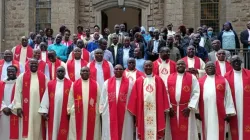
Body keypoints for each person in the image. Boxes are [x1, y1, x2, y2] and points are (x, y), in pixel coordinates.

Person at [127, 60, 170, 140]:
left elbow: (164, 96)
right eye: (146, 66)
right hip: (142, 112)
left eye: (150, 65)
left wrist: (164, 109)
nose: (148, 67)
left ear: (153, 67)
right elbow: (134, 98)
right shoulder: (139, 81)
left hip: (156, 112)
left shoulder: (159, 80)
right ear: (143, 67)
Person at [198, 62, 236, 140]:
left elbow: (228, 96)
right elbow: (196, 97)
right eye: (208, 66)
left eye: (212, 66)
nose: (210, 68)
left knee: (219, 131)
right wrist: (197, 111)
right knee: (206, 131)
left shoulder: (223, 80)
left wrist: (229, 112)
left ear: (216, 68)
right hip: (205, 111)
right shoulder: (200, 81)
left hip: (220, 112)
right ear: (205, 69)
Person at [12, 58, 48, 139]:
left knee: (38, 127)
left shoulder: (43, 77)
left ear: (38, 65)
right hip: (26, 108)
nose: (34, 65)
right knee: (27, 127)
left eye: (35, 64)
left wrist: (45, 108)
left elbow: (46, 94)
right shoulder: (22, 77)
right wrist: (18, 107)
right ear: (29, 65)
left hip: (39, 107)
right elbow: (17, 92)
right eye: (32, 63)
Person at [165, 60, 200, 140]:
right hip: (172, 109)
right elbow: (166, 92)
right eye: (178, 64)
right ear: (175, 66)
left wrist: (190, 107)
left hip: (186, 109)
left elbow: (196, 93)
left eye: (182, 64)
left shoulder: (192, 77)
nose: (180, 65)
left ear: (185, 66)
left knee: (187, 131)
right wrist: (169, 107)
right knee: (172, 131)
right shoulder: (169, 77)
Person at [100, 64, 134, 140]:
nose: (118, 70)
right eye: (116, 69)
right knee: (109, 132)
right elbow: (102, 98)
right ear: (113, 71)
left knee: (125, 132)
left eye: (120, 69)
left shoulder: (130, 83)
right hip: (109, 112)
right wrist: (101, 111)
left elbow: (132, 98)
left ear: (123, 71)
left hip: (126, 113)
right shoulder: (107, 83)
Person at [38, 66, 72, 140]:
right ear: (56, 73)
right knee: (53, 130)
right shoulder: (50, 84)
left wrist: (70, 112)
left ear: (65, 73)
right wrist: (44, 111)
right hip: (53, 112)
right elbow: (46, 97)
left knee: (65, 130)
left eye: (62, 71)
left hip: (65, 112)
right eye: (59, 71)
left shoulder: (70, 84)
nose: (60, 73)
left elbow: (71, 99)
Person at [67, 66, 101, 140]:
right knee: (78, 131)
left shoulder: (96, 84)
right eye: (83, 71)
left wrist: (99, 110)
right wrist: (70, 110)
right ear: (80, 73)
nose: (85, 72)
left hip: (92, 112)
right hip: (77, 112)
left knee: (92, 131)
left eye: (86, 71)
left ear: (89, 73)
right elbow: (71, 98)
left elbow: (99, 98)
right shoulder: (74, 84)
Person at [224, 55, 250, 140]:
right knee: (235, 128)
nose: (236, 63)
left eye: (238, 61)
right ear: (230, 63)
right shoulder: (226, 76)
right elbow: (225, 94)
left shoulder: (249, 74)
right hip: (233, 106)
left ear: (241, 62)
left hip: (247, 106)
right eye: (234, 61)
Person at [0, 65, 21, 140]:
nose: (11, 73)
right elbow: (0, 97)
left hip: (14, 111)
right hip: (4, 111)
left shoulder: (19, 83)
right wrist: (4, 107)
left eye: (12, 71)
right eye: (9, 71)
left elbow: (19, 97)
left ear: (16, 72)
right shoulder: (2, 83)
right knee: (4, 132)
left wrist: (10, 107)